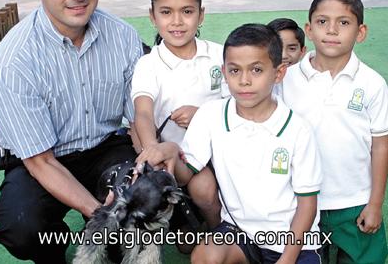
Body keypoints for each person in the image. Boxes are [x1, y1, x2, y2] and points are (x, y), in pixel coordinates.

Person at [0, 0, 143, 263]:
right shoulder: (12, 61)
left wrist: (139, 171)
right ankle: (54, 249)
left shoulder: (124, 37)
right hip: (41, 159)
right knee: (23, 227)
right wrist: (100, 214)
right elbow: (40, 161)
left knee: (135, 214)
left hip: (106, 149)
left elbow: (138, 120)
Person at [137, 24, 322, 264]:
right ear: (224, 72)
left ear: (278, 74)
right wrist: (171, 151)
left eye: (256, 70)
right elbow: (184, 176)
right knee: (205, 256)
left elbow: (307, 206)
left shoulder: (298, 130)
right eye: (235, 71)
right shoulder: (211, 114)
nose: (244, 80)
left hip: (292, 242)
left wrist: (286, 260)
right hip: (239, 233)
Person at [279, 0, 388, 263]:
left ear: (360, 32)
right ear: (309, 29)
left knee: (366, 257)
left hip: (353, 199)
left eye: (343, 22)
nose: (332, 30)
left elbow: (380, 146)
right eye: (322, 22)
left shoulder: (372, 83)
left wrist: (375, 204)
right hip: (298, 199)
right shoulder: (286, 79)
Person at [131, 0, 226, 234]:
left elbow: (240, 104)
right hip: (182, 157)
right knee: (204, 191)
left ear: (201, 14)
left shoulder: (220, 54)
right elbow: (143, 113)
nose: (177, 22)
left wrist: (203, 115)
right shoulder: (149, 64)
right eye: (165, 12)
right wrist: (153, 149)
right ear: (152, 16)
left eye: (186, 11)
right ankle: (215, 232)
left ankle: (228, 231)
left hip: (224, 148)